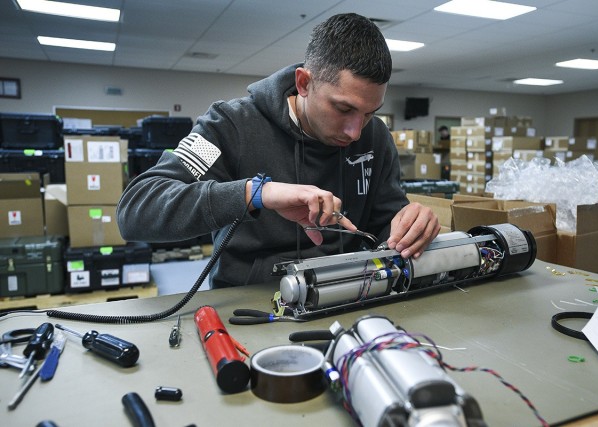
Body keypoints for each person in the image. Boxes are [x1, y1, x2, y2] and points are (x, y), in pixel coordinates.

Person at [117, 13, 440, 288]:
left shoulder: (376, 136)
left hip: (347, 293)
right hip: (249, 305)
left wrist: (410, 225)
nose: (356, 131)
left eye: (370, 113)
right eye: (343, 109)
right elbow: (136, 210)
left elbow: (385, 227)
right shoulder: (229, 125)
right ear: (303, 83)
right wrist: (255, 194)